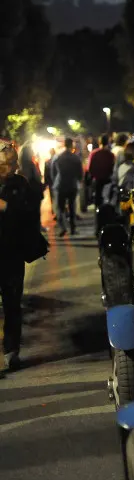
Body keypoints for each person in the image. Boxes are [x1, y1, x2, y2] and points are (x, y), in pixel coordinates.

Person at [0, 140, 42, 376]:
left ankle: (11, 351)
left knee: (13, 304)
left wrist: (7, 207)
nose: (14, 166)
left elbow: (28, 212)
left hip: (11, 253)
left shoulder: (20, 183)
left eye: (15, 161)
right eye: (8, 163)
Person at [51, 138, 84, 237]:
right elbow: (80, 173)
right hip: (72, 184)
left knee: (60, 208)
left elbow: (53, 172)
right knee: (72, 207)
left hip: (60, 184)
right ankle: (73, 228)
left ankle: (63, 227)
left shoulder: (58, 156)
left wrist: (55, 181)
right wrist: (78, 180)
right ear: (71, 145)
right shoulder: (75, 158)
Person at [87, 135, 116, 209]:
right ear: (108, 142)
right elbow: (113, 168)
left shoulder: (94, 153)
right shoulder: (111, 155)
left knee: (97, 199)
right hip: (107, 180)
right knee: (107, 200)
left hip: (97, 180)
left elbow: (89, 168)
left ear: (99, 142)